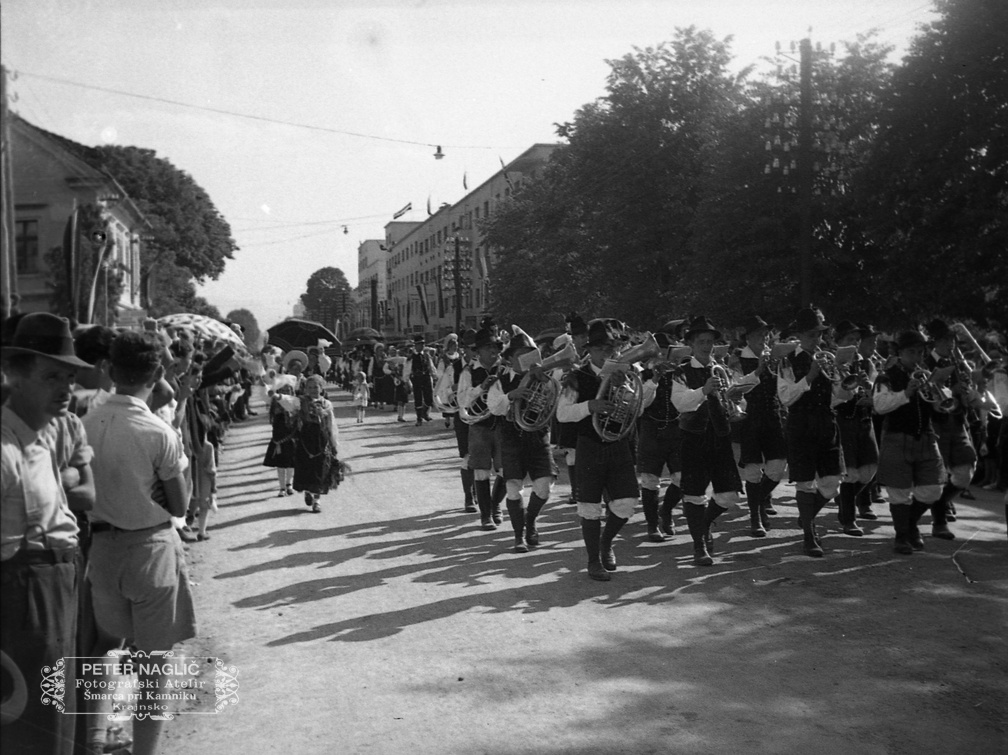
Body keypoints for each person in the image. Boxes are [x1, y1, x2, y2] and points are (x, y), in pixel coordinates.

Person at [82, 329, 195, 755]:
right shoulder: (157, 432)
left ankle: (94, 737)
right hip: (151, 549)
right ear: (159, 372)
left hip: (103, 550)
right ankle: (142, 749)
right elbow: (180, 502)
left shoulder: (85, 423)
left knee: (106, 646)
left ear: (110, 370)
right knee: (153, 661)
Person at [2, 312, 88, 755]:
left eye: (70, 377)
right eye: (52, 375)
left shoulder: (44, 433)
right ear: (14, 375)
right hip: (23, 595)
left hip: (56, 588)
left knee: (57, 726)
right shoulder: (4, 447)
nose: (65, 388)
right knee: (30, 731)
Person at [556, 319, 641, 581]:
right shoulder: (576, 377)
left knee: (627, 503)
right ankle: (594, 561)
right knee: (590, 507)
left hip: (617, 443)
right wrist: (589, 407)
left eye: (612, 349)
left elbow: (639, 409)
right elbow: (562, 414)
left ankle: (606, 542)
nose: (609, 354)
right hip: (589, 445)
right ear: (590, 350)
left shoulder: (625, 374)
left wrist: (625, 388)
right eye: (603, 349)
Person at [671, 317, 745, 565]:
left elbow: (736, 403)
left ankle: (704, 525)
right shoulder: (681, 372)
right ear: (690, 344)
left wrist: (736, 397)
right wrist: (703, 390)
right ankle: (699, 545)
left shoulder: (723, 369)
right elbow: (680, 403)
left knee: (729, 494)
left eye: (710, 342)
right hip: (693, 437)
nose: (706, 346)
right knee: (694, 494)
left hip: (720, 435)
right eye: (701, 342)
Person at [873, 330, 954, 554]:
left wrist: (939, 398)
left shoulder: (927, 375)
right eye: (911, 352)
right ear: (899, 353)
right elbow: (879, 406)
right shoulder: (886, 376)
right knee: (899, 492)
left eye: (920, 352)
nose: (917, 357)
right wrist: (906, 393)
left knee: (933, 489)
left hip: (926, 437)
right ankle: (901, 536)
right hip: (897, 437)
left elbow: (941, 407)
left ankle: (909, 525)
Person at [776, 307, 844, 558]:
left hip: (826, 424)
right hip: (801, 425)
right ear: (801, 335)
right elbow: (785, 397)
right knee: (805, 482)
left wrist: (849, 385)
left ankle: (806, 519)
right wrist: (811, 376)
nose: (818, 340)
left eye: (820, 334)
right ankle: (808, 535)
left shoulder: (828, 357)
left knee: (832, 484)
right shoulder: (787, 360)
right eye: (813, 335)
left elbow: (838, 397)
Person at [487, 326, 556, 552]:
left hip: (537, 436)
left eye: (531, 355)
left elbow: (555, 402)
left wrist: (544, 383)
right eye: (521, 356)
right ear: (510, 359)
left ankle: (530, 521)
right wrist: (511, 395)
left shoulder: (544, 378)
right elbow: (494, 407)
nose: (527, 360)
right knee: (514, 488)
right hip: (511, 437)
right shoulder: (501, 380)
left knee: (545, 487)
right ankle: (519, 536)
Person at [734, 315, 788, 538]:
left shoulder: (775, 358)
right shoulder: (737, 360)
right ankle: (756, 518)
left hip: (772, 416)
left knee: (778, 467)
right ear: (748, 338)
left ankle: (760, 501)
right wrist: (757, 369)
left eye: (766, 335)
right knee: (753, 471)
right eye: (758, 335)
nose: (763, 339)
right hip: (750, 418)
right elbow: (736, 388)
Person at [831, 320, 880, 537]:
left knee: (870, 470)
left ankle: (845, 500)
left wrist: (869, 389)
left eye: (856, 340)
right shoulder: (834, 362)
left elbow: (876, 391)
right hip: (844, 420)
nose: (854, 344)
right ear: (838, 342)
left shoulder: (866, 364)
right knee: (850, 473)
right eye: (849, 340)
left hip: (864, 420)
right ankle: (848, 520)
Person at [457, 328, 508, 529]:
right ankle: (486, 515)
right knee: (481, 471)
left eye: (495, 347)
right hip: (479, 425)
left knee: (506, 470)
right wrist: (482, 388)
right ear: (478, 351)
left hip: (503, 424)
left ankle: (495, 505)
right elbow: (461, 399)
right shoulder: (469, 372)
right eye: (488, 347)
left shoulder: (504, 369)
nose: (493, 351)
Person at [291, 374, 341, 513]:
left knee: (320, 469)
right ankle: (308, 491)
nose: (313, 390)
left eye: (316, 387)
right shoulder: (300, 402)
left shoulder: (327, 404)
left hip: (321, 440)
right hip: (305, 440)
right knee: (306, 468)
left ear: (321, 388)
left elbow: (332, 424)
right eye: (310, 387)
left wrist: (334, 443)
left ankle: (317, 501)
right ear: (306, 388)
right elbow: (287, 402)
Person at [556, 314, 589, 505]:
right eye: (581, 337)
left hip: (585, 402)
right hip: (570, 400)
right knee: (572, 451)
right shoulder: (567, 354)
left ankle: (584, 488)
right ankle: (575, 490)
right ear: (574, 339)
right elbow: (557, 376)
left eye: (586, 337)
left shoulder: (590, 355)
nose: (585, 340)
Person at [263, 378, 298, 496]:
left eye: (288, 390)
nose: (286, 392)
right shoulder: (275, 405)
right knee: (280, 463)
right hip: (279, 437)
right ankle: (282, 487)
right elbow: (274, 421)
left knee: (291, 463)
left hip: (292, 437)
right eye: (283, 390)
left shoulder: (295, 403)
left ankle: (289, 483)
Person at [403, 336, 436, 425]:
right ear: (415, 345)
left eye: (422, 344)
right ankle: (419, 418)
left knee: (429, 398)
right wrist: (406, 381)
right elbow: (407, 369)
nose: (421, 346)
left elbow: (431, 365)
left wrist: (434, 375)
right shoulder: (411, 357)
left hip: (426, 377)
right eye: (419, 344)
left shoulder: (426, 355)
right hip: (416, 378)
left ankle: (424, 412)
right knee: (418, 398)